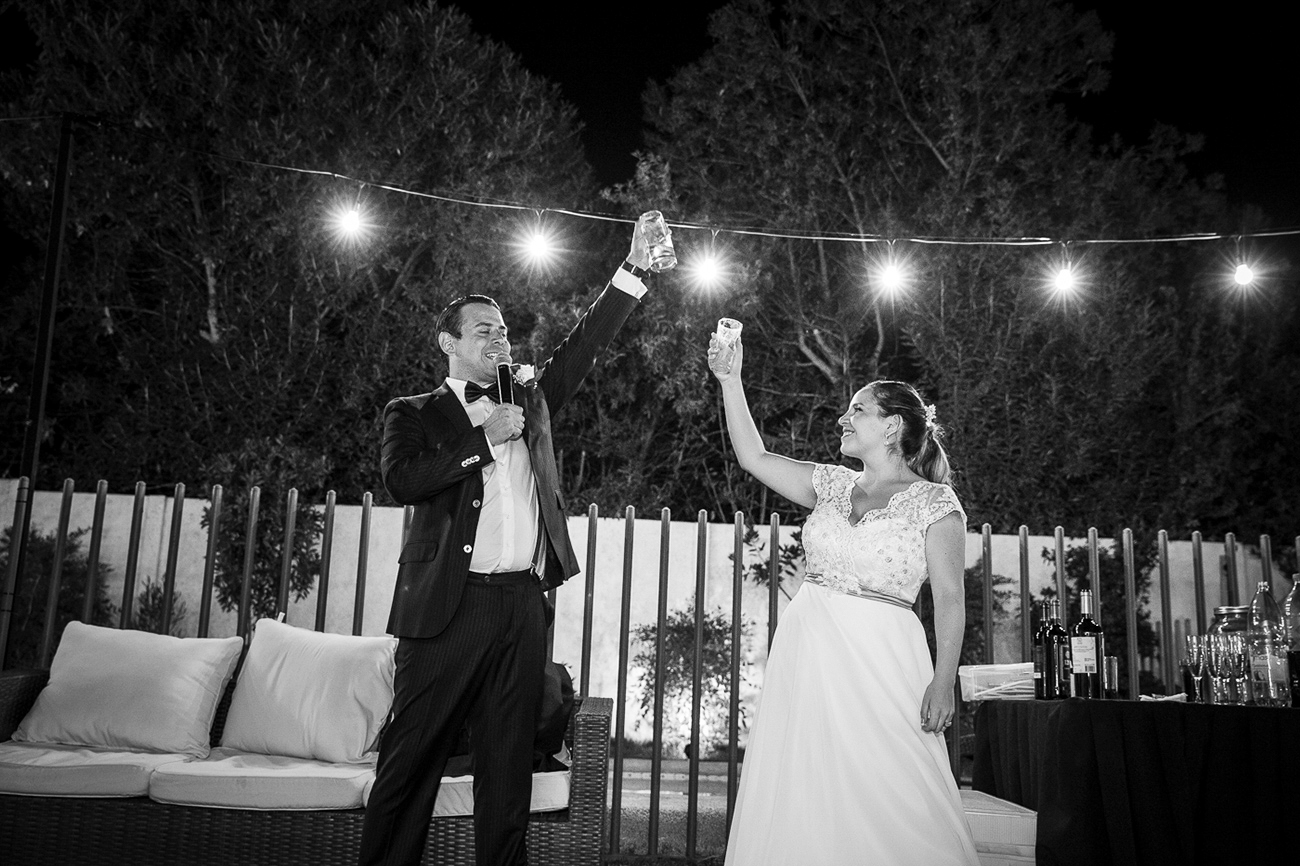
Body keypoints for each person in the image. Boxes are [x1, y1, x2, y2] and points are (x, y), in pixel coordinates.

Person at [358, 219, 656, 866]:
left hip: (522, 606)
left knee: (507, 770)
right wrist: (482, 440)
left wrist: (632, 269)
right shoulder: (412, 412)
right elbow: (403, 481)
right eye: (483, 330)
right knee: (411, 763)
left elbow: (584, 345)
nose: (500, 338)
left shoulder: (532, 399)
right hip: (447, 609)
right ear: (449, 342)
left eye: (504, 330)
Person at [708, 334, 979, 865]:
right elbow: (753, 456)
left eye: (858, 410)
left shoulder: (935, 503)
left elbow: (950, 598)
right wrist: (730, 380)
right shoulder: (831, 484)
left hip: (884, 661)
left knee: (897, 781)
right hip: (808, 652)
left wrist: (943, 680)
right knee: (804, 779)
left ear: (892, 426)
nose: (843, 419)